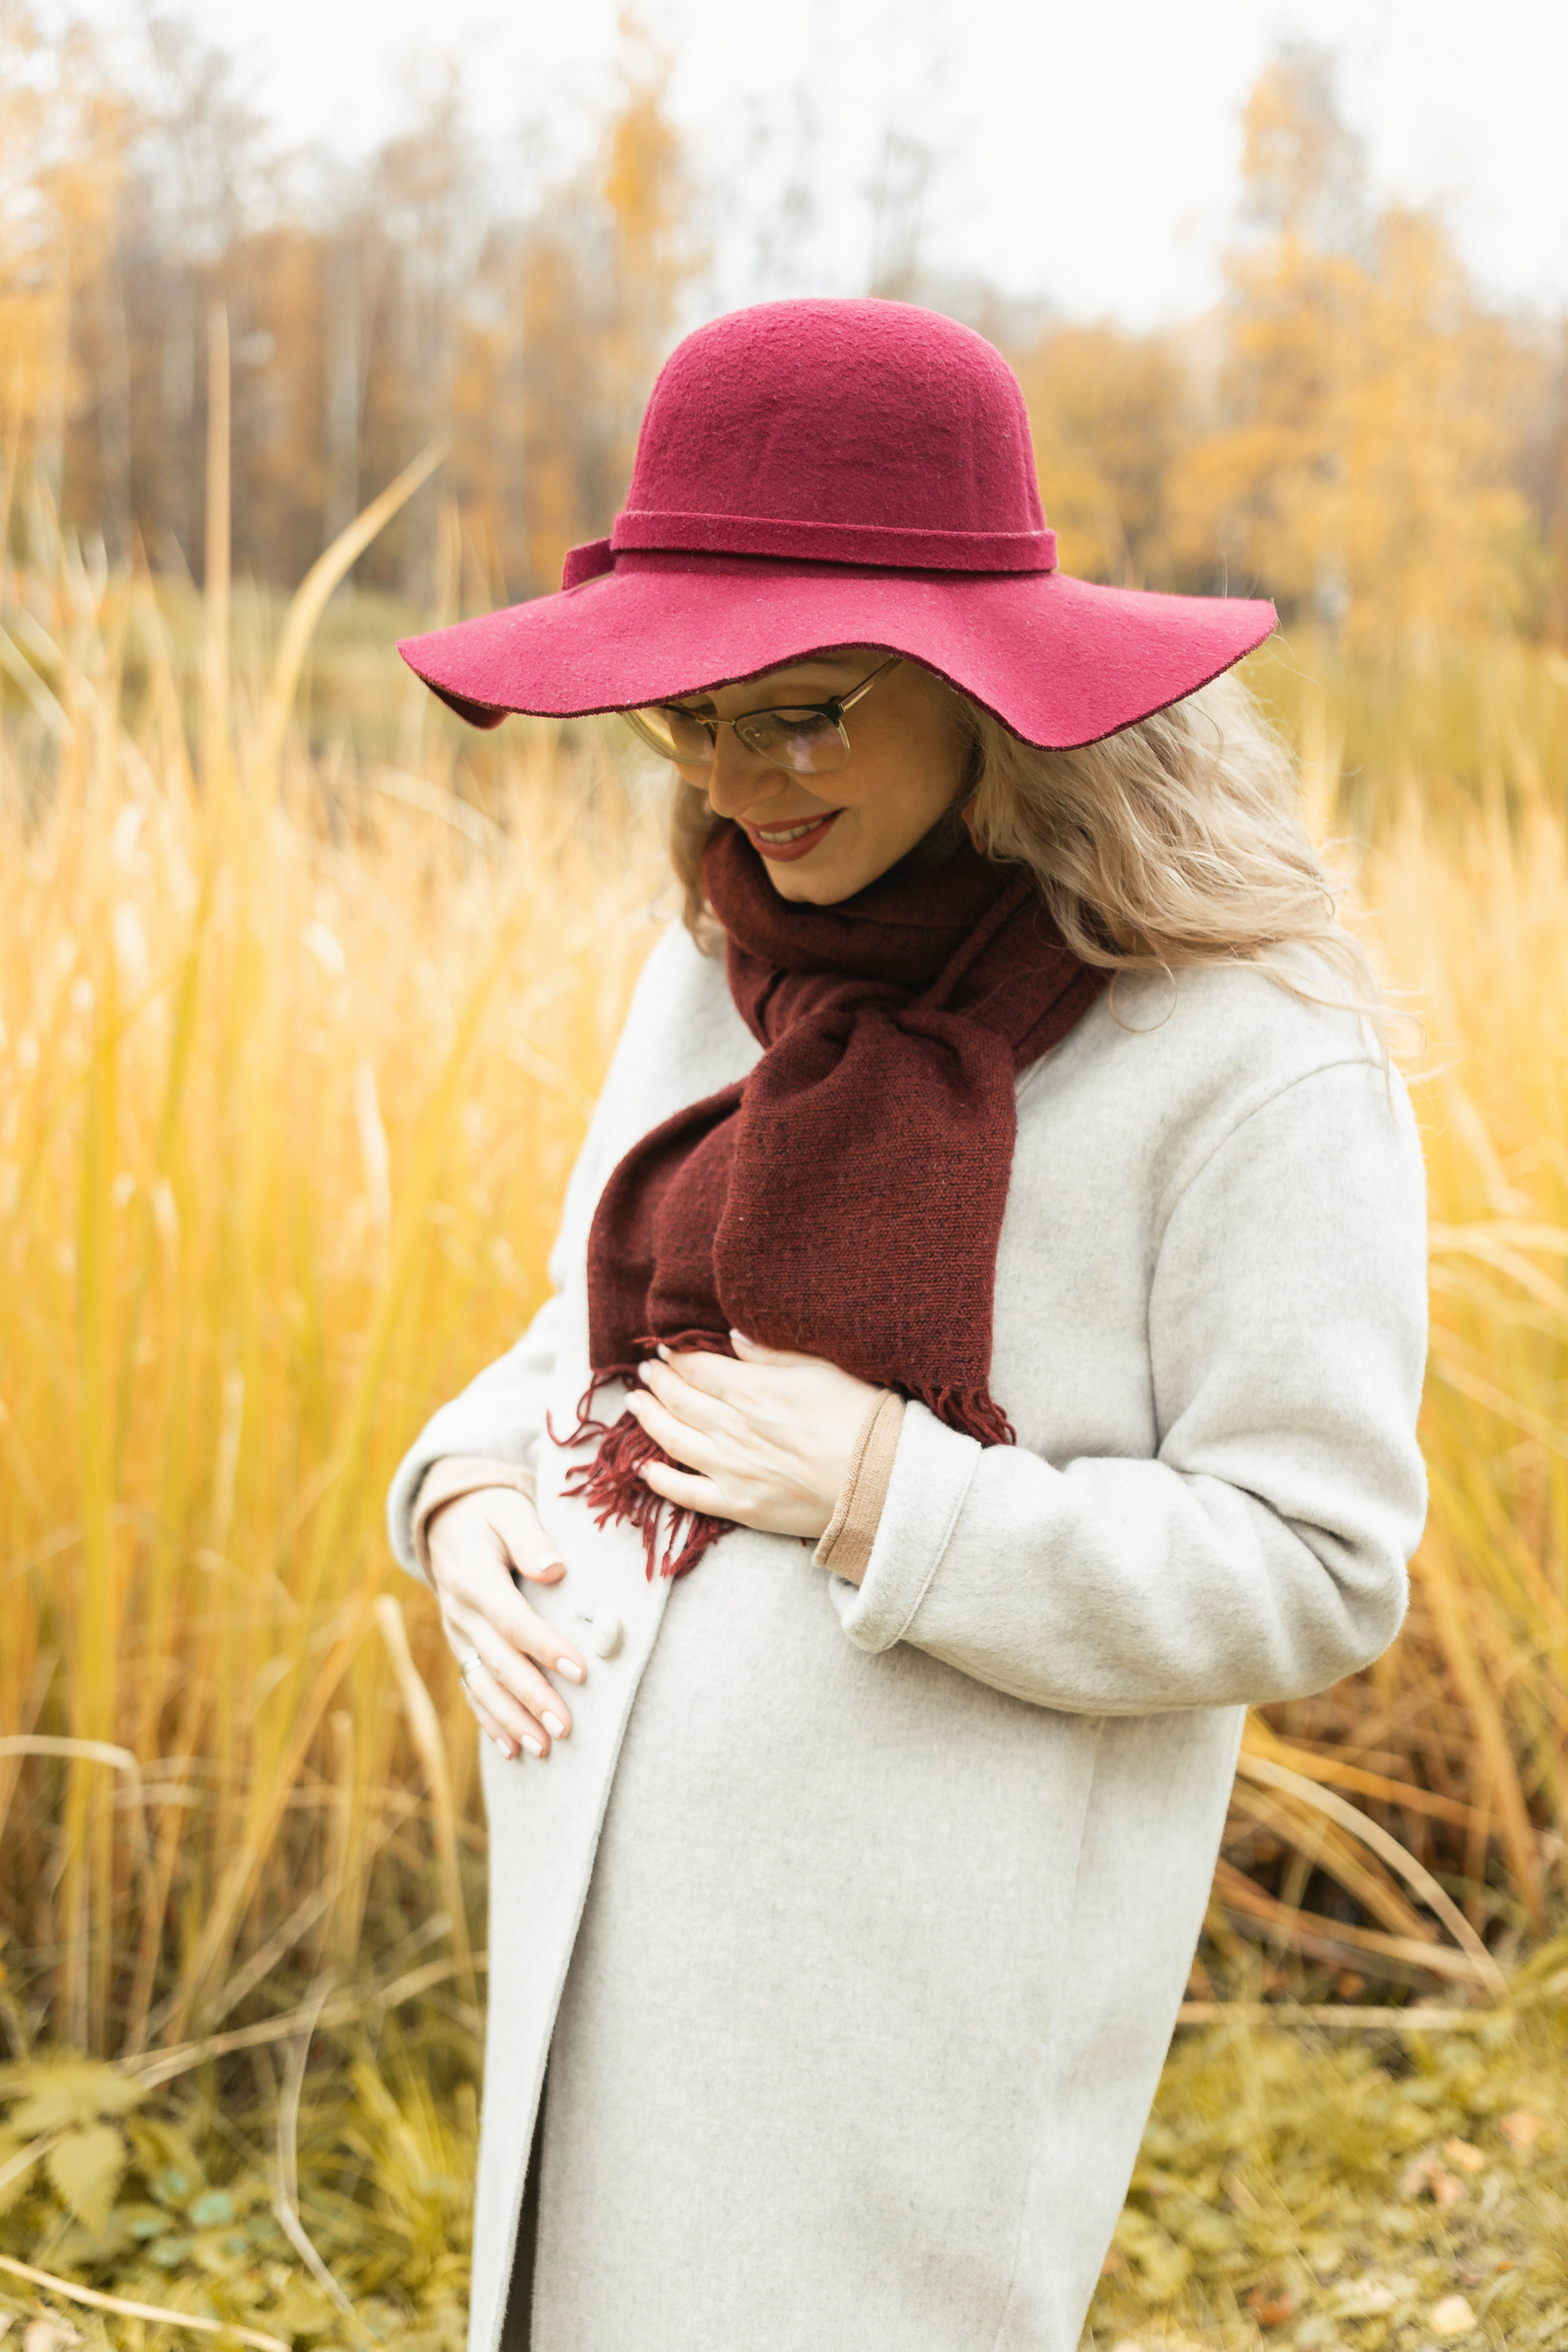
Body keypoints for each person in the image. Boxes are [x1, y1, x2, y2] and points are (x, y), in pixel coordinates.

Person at [386, 298, 1427, 2352]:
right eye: (691, 717)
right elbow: (595, 1345)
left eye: (809, 711)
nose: (737, 783)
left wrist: (894, 1493)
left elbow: (1319, 1566)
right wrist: (471, 1494)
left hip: (907, 2037)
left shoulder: (1252, 1058)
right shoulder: (729, 964)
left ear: (996, 691)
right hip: (604, 1942)